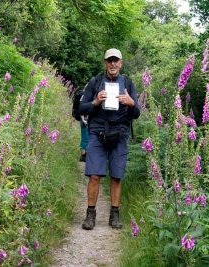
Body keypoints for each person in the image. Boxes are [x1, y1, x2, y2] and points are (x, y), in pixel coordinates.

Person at [79, 48, 140, 230]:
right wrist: (95, 102)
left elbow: (136, 113)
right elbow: (82, 108)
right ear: (105, 62)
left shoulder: (128, 83)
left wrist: (132, 104)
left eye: (116, 60)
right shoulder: (95, 82)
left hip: (120, 135)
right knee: (94, 176)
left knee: (116, 177)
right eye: (109, 60)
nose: (113, 64)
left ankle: (114, 215)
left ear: (121, 62)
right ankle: (90, 215)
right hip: (97, 133)